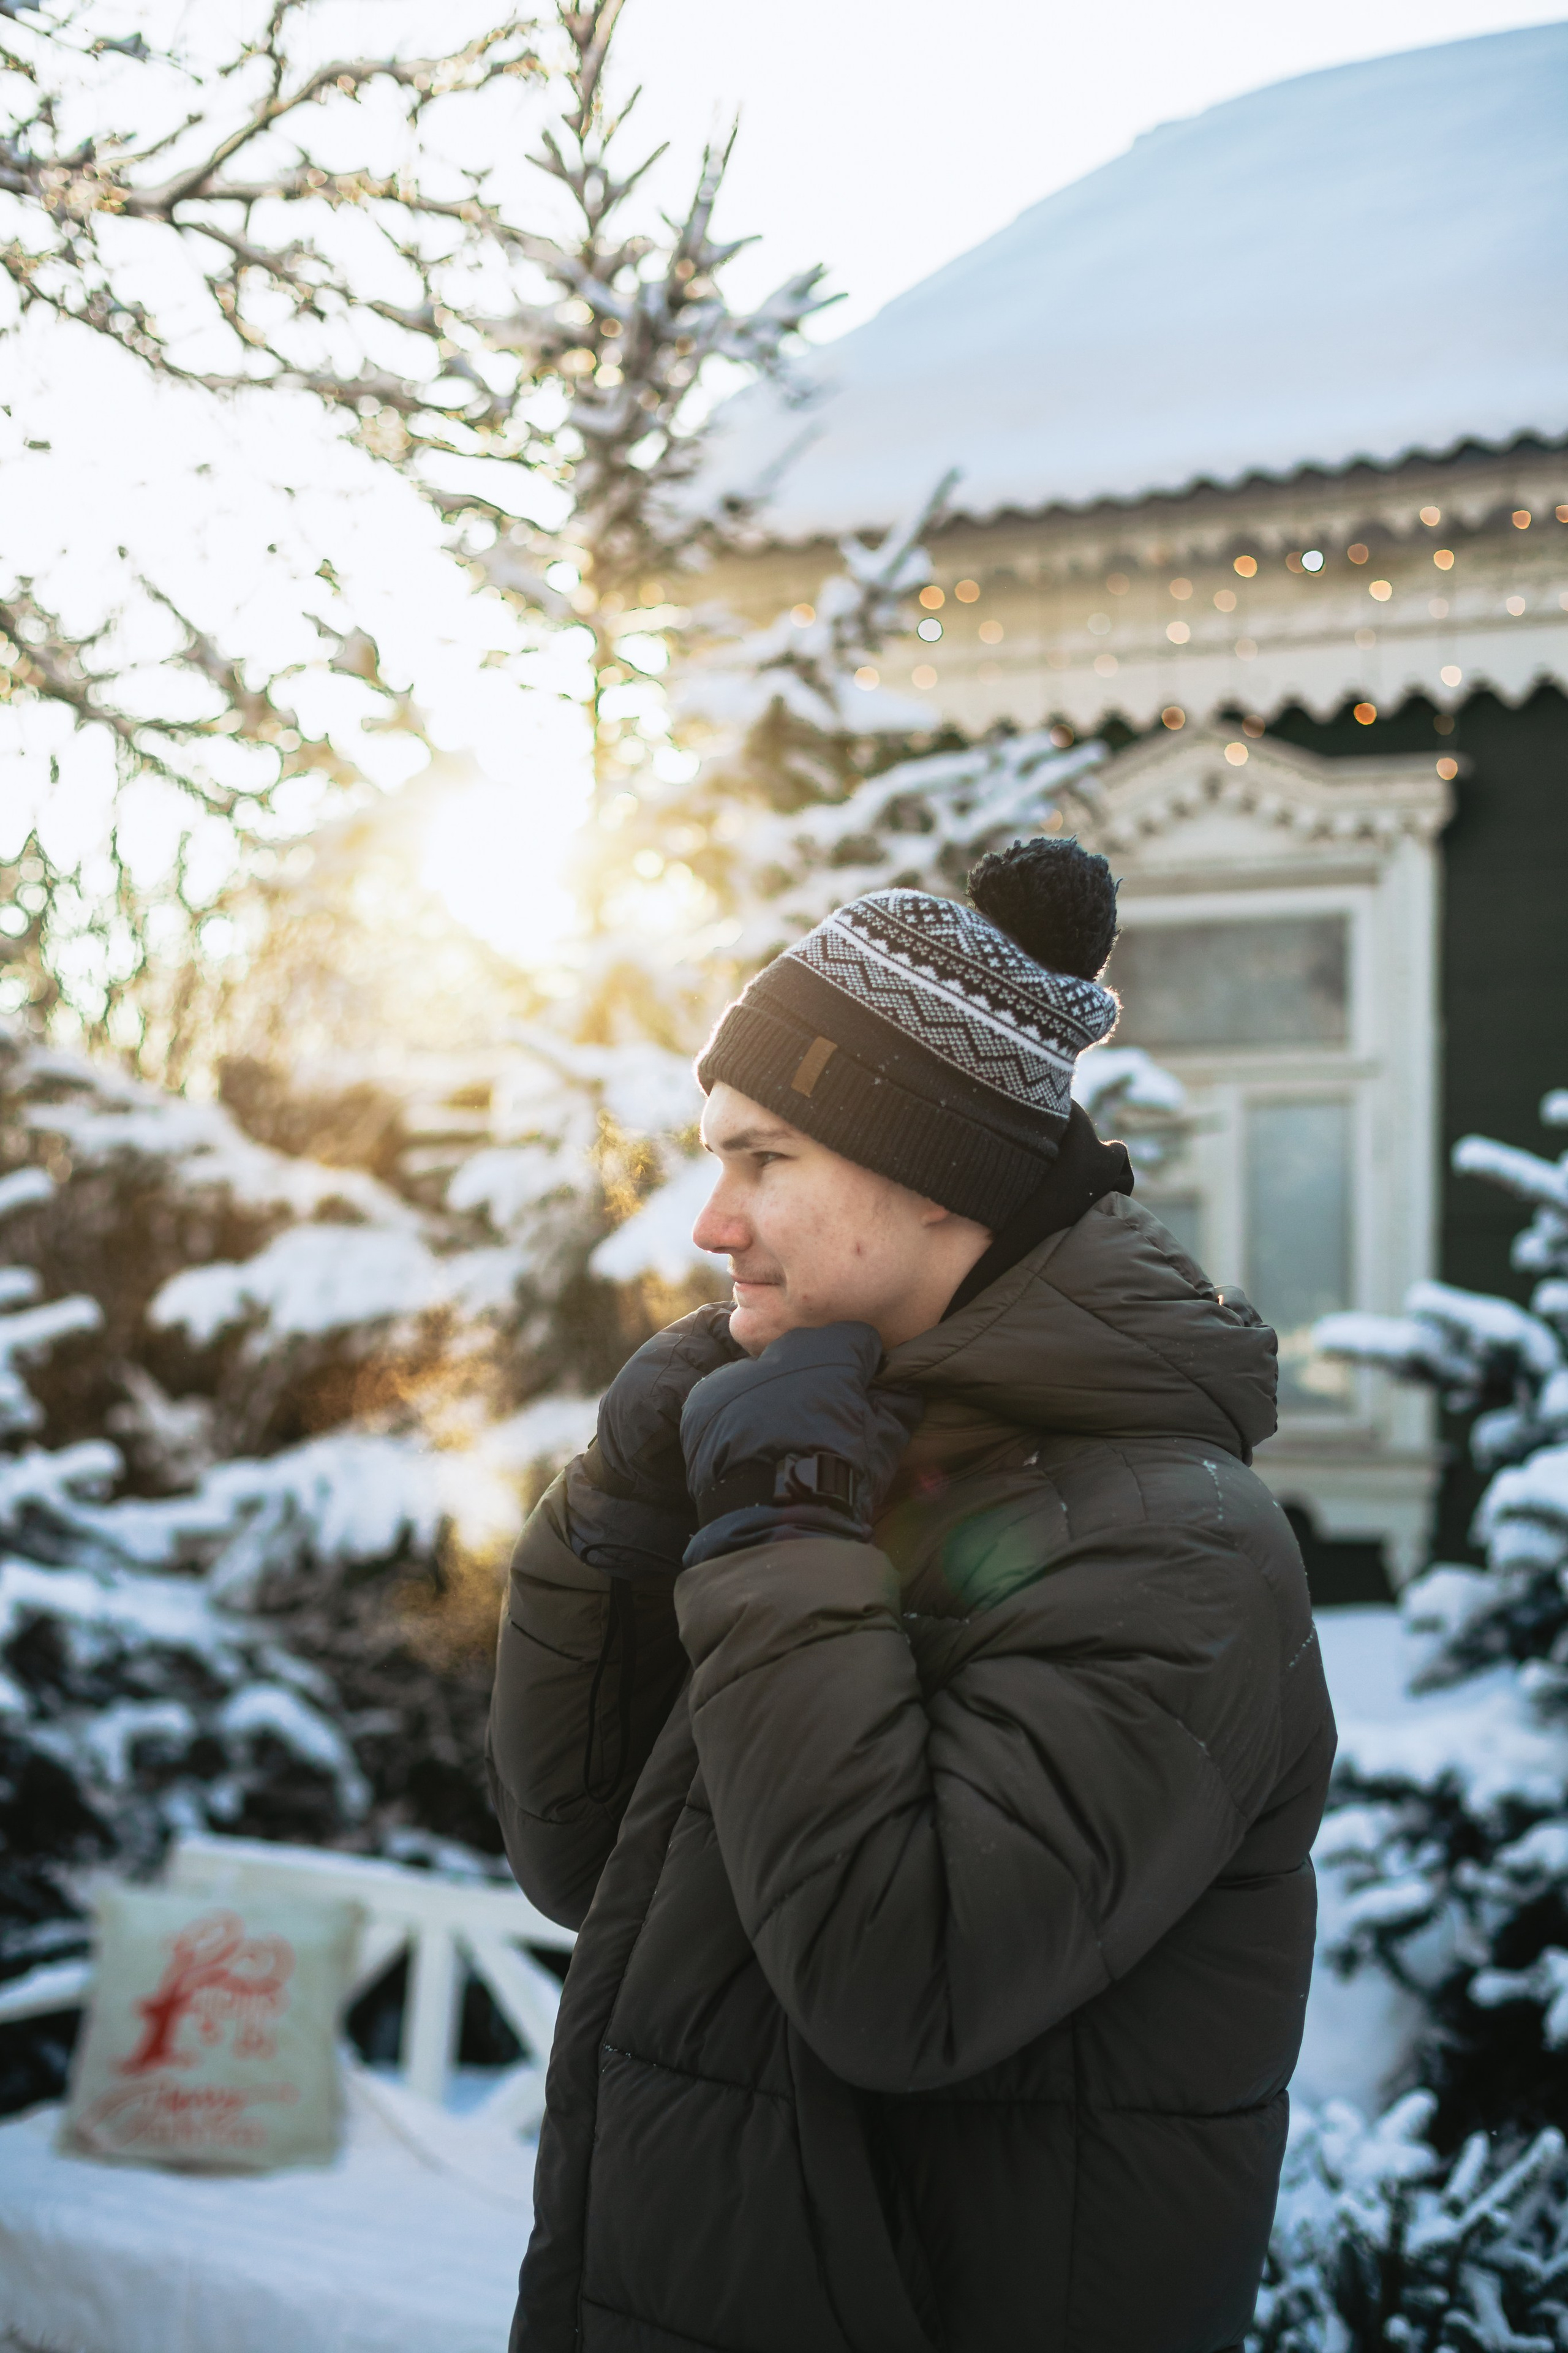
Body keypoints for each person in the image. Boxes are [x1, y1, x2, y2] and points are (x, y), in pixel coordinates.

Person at [488, 839, 1335, 2353]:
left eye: (765, 1160)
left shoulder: (1175, 1546)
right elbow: (573, 1854)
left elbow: (902, 1978)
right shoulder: (843, 1453)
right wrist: (624, 1501)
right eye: (713, 1158)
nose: (709, 1223)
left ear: (943, 1181)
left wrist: (776, 1527)